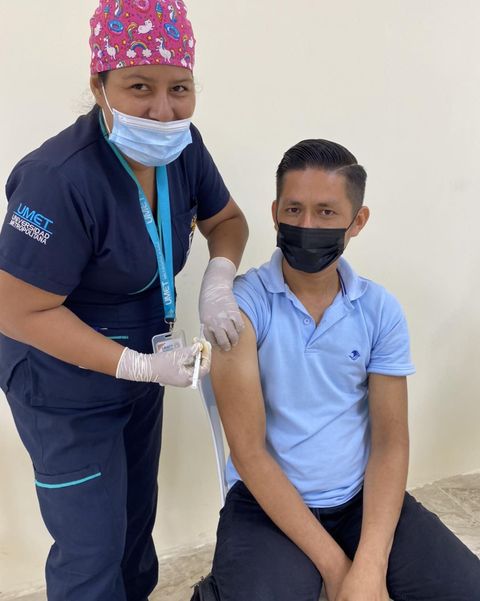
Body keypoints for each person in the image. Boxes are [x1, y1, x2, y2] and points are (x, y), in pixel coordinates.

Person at [0, 1, 248, 600]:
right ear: (100, 86)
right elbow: (16, 309)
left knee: (136, 526)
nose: (163, 110)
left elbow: (228, 220)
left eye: (179, 88)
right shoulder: (58, 178)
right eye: (140, 87)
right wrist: (135, 364)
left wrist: (218, 280)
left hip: (144, 368)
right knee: (92, 549)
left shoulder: (182, 147)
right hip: (63, 387)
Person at [208, 139, 480, 600]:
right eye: (294, 209)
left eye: (326, 212)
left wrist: (370, 565)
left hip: (359, 500)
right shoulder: (242, 307)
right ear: (274, 212)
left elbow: (391, 442)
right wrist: (338, 570)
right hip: (264, 504)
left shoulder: (379, 310)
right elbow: (249, 452)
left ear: (358, 221)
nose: (306, 225)